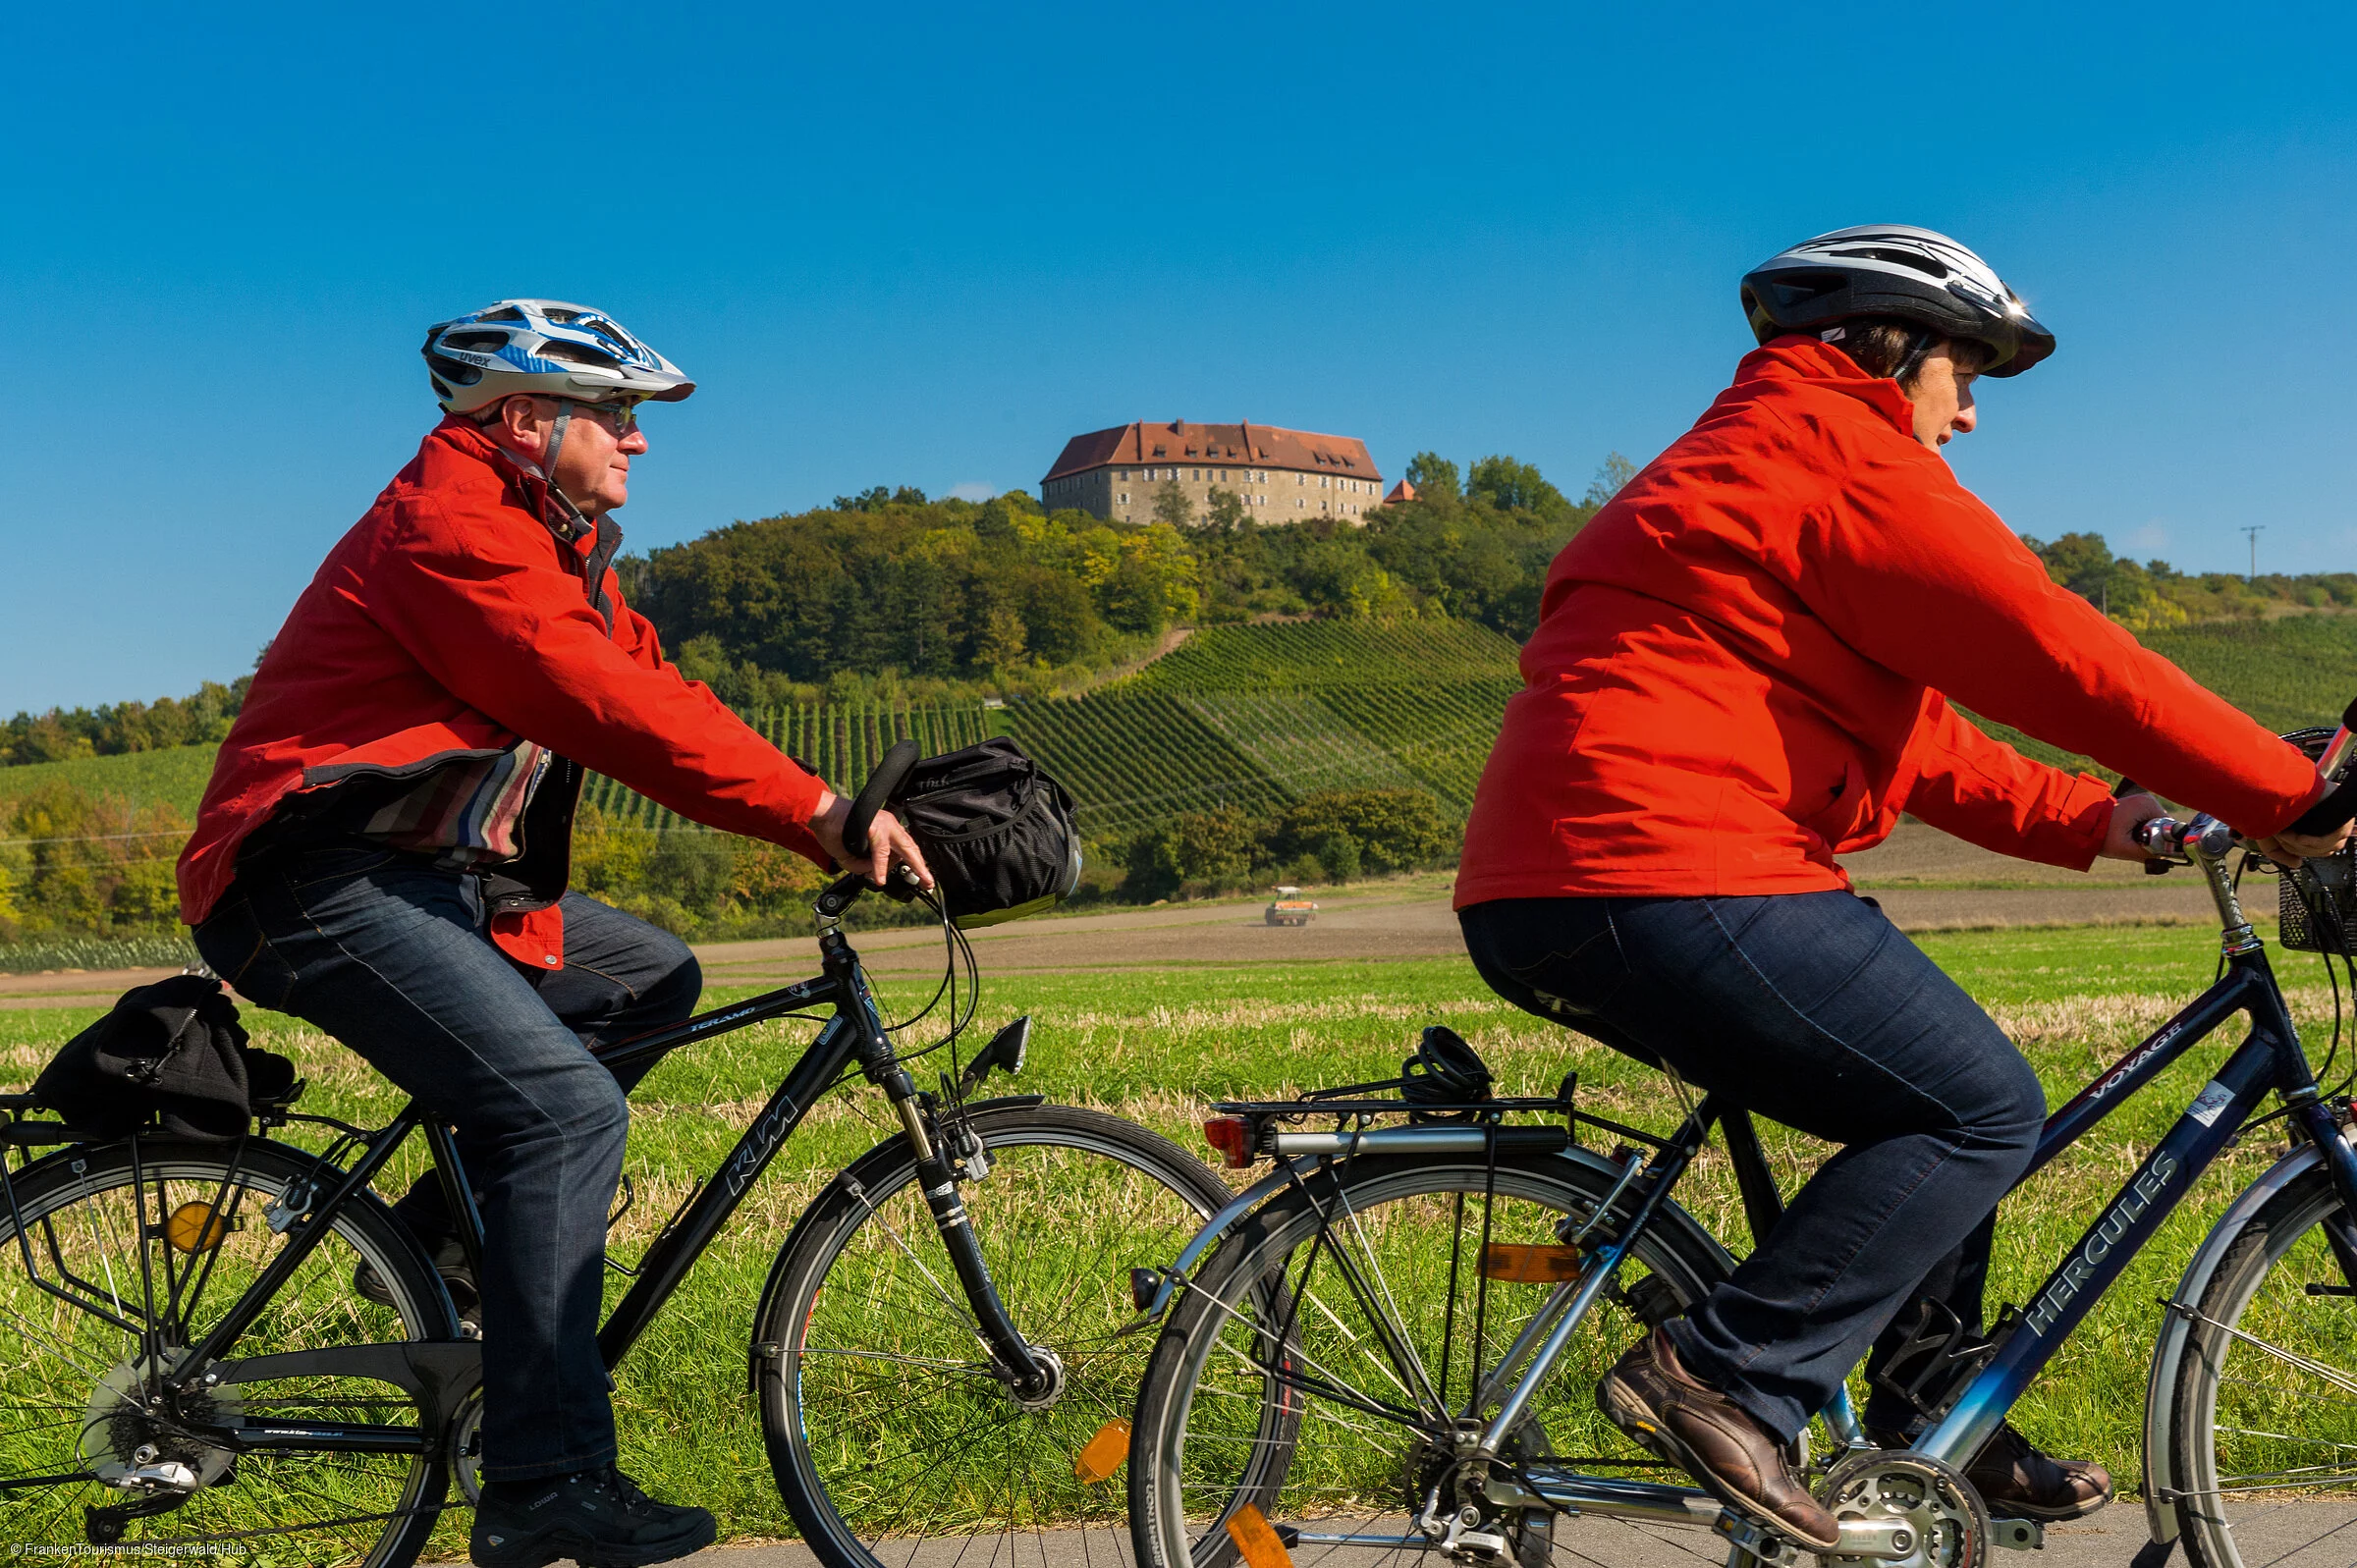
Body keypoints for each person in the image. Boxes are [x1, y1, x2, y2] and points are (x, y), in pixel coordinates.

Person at [1453, 225, 2352, 1548]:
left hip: (1589, 874)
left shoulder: (1763, 461)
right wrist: (2293, 793)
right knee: (1978, 1108)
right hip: (1658, 862)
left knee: (1933, 1087)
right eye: (1966, 374)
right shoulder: (1836, 452)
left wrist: (2111, 822)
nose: (1973, 415)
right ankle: (1726, 1377)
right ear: (1893, 348)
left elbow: (1923, 745)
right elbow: (2053, 651)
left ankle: (1934, 1416)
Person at [179, 299, 931, 1568]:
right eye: (621, 417)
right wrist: (810, 813)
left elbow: (656, 684)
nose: (640, 444)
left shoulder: (555, 541)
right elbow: (612, 711)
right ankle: (542, 1481)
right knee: (565, 1113)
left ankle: (431, 1240)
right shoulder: (455, 532)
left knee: (649, 975)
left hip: (424, 875)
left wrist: (847, 806)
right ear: (530, 421)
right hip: (307, 876)